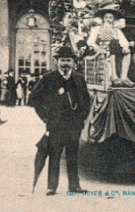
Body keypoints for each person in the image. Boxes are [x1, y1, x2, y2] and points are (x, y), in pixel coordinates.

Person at [28, 46, 90, 195]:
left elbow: (87, 100)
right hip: (56, 125)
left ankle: (74, 186)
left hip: (74, 125)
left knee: (73, 156)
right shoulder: (48, 78)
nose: (65, 64)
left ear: (73, 62)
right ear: (57, 61)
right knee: (54, 156)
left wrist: (82, 117)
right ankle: (52, 186)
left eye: (68, 60)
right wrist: (45, 116)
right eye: (62, 60)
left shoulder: (79, 78)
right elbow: (33, 98)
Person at [86, 5, 133, 87]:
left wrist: (125, 47)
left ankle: (124, 77)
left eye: (110, 18)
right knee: (112, 51)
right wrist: (95, 46)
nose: (108, 19)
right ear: (103, 19)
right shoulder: (98, 28)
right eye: (106, 17)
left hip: (114, 48)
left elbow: (123, 40)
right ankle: (114, 77)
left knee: (128, 51)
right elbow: (90, 41)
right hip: (102, 48)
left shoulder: (116, 29)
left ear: (114, 19)